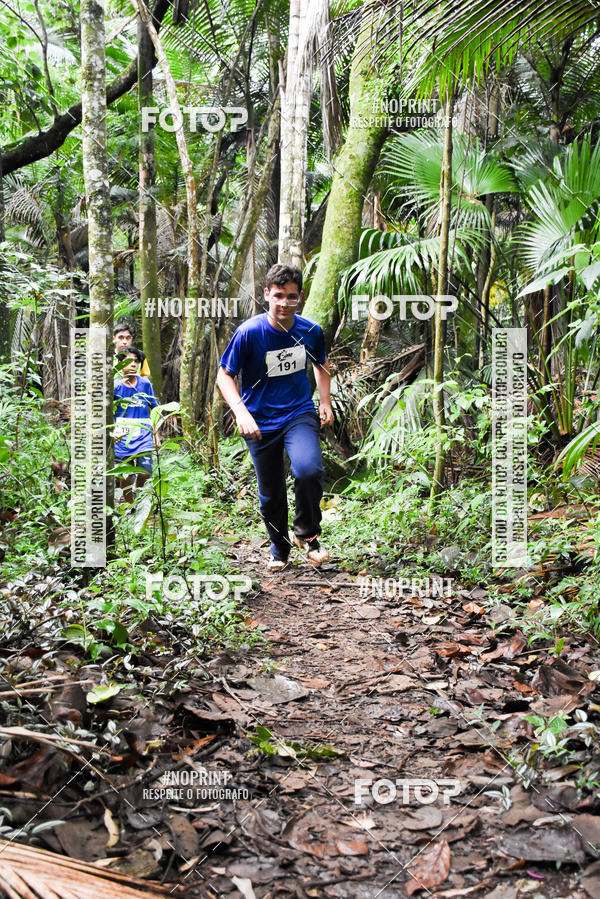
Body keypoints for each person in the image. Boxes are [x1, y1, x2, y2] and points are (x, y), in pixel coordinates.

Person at [216, 263, 334, 571]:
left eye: (291, 297)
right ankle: (279, 548)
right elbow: (224, 375)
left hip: (298, 412)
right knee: (270, 494)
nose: (284, 303)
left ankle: (307, 535)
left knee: (308, 469)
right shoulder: (249, 332)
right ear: (267, 294)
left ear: (300, 297)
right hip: (259, 421)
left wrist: (324, 401)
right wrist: (241, 412)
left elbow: (321, 365)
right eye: (278, 296)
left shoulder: (310, 331)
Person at [114, 347, 158, 503]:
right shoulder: (115, 386)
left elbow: (155, 407)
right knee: (124, 474)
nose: (133, 364)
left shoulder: (145, 384)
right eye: (128, 361)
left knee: (145, 472)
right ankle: (129, 505)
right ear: (120, 363)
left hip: (143, 435)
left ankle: (136, 493)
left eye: (136, 361)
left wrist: (156, 433)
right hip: (121, 437)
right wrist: (112, 432)